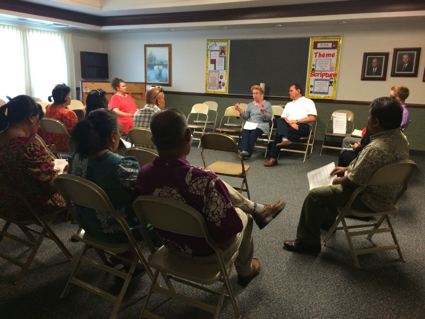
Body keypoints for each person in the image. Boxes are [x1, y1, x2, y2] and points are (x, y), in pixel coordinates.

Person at [134, 109, 286, 286]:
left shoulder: (143, 174)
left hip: (170, 244)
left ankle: (258, 209)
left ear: (153, 141)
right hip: (208, 253)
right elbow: (224, 240)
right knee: (246, 217)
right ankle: (245, 272)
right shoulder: (205, 180)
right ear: (188, 135)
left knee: (214, 183)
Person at [283, 96, 409, 253]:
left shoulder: (375, 147)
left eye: (369, 116)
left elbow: (352, 183)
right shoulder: (401, 139)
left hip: (367, 198)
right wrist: (347, 169)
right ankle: (328, 222)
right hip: (387, 195)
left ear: (376, 122)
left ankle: (307, 242)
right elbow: (372, 167)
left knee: (315, 194)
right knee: (333, 181)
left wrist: (339, 180)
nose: (368, 119)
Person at [68, 109, 157, 246]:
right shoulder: (121, 165)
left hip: (89, 226)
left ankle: (127, 257)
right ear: (113, 136)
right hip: (123, 231)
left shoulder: (75, 159)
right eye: (119, 132)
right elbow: (147, 197)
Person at [0, 95, 66, 221]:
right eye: (38, 121)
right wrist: (62, 170)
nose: (39, 126)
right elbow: (51, 188)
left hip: (5, 204)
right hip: (30, 207)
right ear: (31, 117)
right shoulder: (29, 147)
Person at [264, 84, 317, 167]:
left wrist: (297, 121)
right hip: (289, 125)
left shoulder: (308, 102)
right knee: (279, 119)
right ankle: (284, 139)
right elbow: (284, 117)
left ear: (298, 91)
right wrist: (290, 123)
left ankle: (273, 158)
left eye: (291, 90)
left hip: (302, 127)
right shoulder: (288, 104)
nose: (289, 93)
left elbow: (312, 118)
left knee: (279, 133)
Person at [234, 85, 272, 159]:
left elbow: (269, 118)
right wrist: (240, 110)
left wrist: (263, 112)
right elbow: (246, 116)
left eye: (257, 93)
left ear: (261, 94)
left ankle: (248, 152)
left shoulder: (267, 104)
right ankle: (244, 150)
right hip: (251, 124)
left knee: (254, 132)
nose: (255, 95)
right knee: (245, 130)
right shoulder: (250, 104)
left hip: (262, 125)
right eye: (253, 93)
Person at [45, 84, 78, 152]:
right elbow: (75, 133)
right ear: (64, 98)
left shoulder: (48, 108)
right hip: (69, 146)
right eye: (69, 95)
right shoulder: (68, 114)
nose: (70, 97)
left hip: (56, 144)